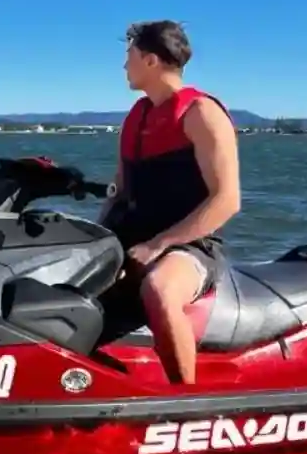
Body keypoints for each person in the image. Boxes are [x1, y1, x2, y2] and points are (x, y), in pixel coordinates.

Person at [99, 20, 241, 385]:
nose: (123, 65)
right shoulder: (136, 116)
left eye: (128, 55)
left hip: (190, 246)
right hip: (134, 241)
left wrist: (159, 244)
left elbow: (226, 201)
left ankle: (185, 403)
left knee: (159, 291)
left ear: (150, 61)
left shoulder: (201, 112)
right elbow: (119, 189)